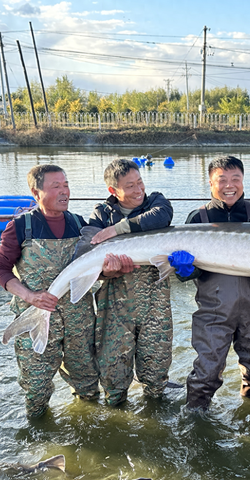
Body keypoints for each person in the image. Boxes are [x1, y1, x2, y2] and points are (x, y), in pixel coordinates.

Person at [169, 155, 250, 410]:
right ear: (210, 183)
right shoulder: (198, 218)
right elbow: (186, 275)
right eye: (222, 180)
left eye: (235, 179)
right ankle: (194, 418)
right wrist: (184, 269)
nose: (230, 185)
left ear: (243, 180)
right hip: (213, 309)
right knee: (206, 373)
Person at [0, 165, 99, 418]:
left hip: (79, 321)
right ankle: (40, 439)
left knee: (88, 386)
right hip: (37, 318)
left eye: (66, 185)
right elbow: (0, 271)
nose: (64, 192)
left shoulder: (79, 224)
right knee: (37, 389)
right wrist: (30, 297)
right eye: (56, 187)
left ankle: (87, 434)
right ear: (36, 192)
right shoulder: (20, 227)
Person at [88, 159, 174, 406]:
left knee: (156, 372)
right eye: (130, 186)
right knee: (114, 375)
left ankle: (155, 421)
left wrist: (118, 229)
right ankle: (116, 423)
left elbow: (161, 217)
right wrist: (108, 272)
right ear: (113, 191)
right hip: (114, 306)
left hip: (155, 305)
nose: (139, 190)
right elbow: (90, 260)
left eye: (140, 182)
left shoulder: (155, 201)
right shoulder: (101, 214)